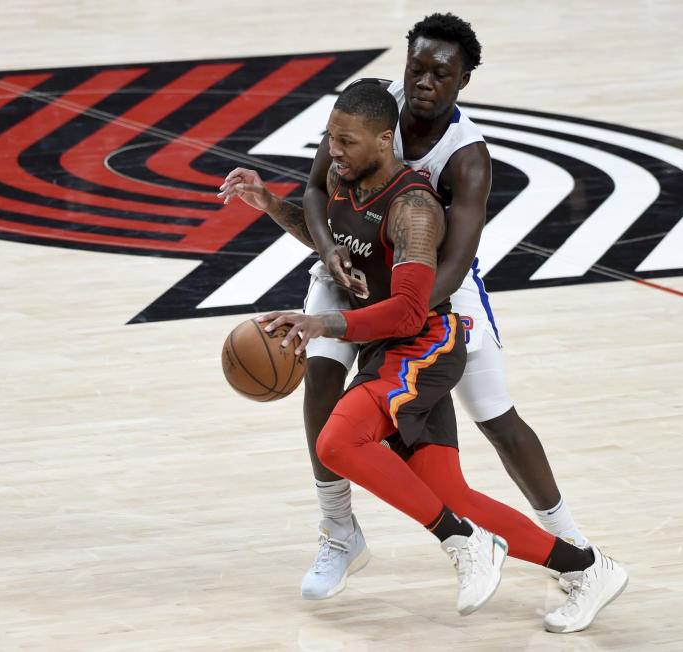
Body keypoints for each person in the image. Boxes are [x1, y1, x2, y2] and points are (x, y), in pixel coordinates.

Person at [222, 82, 627, 632]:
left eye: (345, 140)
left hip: (426, 346)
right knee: (450, 492)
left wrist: (321, 323)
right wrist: (269, 203)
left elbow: (411, 313)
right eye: (328, 138)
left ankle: (463, 542)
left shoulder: (414, 208)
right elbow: (336, 237)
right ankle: (588, 569)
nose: (331, 151)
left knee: (338, 441)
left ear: (384, 140)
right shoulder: (348, 179)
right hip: (388, 347)